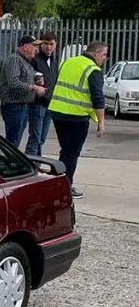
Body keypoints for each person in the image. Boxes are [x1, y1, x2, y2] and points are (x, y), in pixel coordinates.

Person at [48, 41, 107, 199]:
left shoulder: (68, 62)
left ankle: (58, 183)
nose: (105, 58)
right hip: (76, 117)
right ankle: (65, 187)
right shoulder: (93, 69)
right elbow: (98, 97)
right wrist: (101, 123)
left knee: (66, 151)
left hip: (57, 112)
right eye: (104, 54)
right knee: (71, 153)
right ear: (96, 53)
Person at [0, 35, 46, 146]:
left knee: (16, 139)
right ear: (25, 47)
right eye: (34, 46)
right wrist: (34, 87)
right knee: (12, 141)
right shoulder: (15, 59)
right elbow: (14, 82)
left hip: (22, 106)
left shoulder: (25, 61)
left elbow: (25, 77)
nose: (37, 50)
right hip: (14, 106)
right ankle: (8, 158)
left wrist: (36, 79)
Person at [25, 32, 59, 156]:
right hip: (37, 104)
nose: (48, 47)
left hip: (50, 104)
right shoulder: (34, 60)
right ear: (41, 44)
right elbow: (28, 77)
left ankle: (35, 162)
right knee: (35, 137)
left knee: (42, 138)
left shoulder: (54, 62)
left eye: (51, 44)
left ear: (55, 45)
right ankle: (30, 163)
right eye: (45, 44)